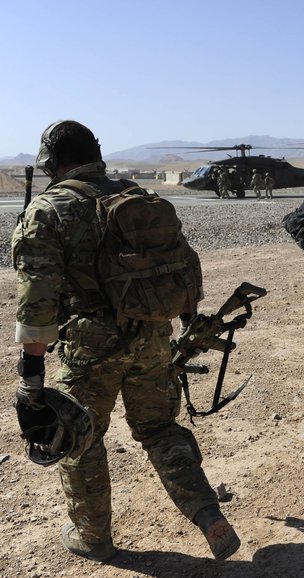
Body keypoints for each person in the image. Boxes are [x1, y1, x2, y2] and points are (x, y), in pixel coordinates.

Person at [11, 120, 240, 563]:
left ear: (53, 163)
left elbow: (37, 303)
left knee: (80, 439)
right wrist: (188, 323)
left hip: (89, 346)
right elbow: (183, 267)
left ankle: (92, 536)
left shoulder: (49, 209)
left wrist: (31, 378)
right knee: (159, 430)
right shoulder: (137, 198)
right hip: (152, 335)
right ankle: (209, 516)